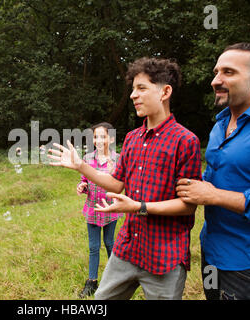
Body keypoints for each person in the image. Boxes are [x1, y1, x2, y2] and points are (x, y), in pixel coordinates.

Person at [49, 57, 202, 300]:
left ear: (165, 91)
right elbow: (118, 183)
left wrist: (138, 207)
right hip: (127, 248)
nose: (133, 95)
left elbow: (188, 205)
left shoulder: (186, 141)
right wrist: (81, 166)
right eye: (133, 89)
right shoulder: (132, 138)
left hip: (165, 256)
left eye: (141, 88)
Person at [176, 42, 250, 300]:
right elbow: (221, 177)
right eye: (216, 72)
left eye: (228, 72)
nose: (216, 80)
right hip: (212, 250)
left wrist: (213, 196)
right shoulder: (221, 123)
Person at [76, 122, 123, 298]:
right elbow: (85, 180)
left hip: (110, 209)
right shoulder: (88, 159)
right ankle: (92, 282)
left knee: (110, 243)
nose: (99, 140)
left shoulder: (118, 159)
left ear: (111, 138)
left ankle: (116, 279)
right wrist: (82, 186)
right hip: (92, 209)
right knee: (93, 247)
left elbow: (119, 184)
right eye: (96, 137)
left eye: (103, 136)